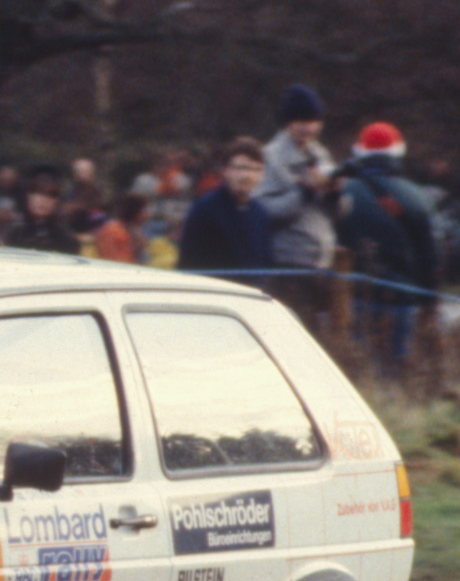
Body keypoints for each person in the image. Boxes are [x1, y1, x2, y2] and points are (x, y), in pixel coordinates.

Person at [332, 121, 441, 372]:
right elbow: (431, 255)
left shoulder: (344, 191)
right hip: (403, 298)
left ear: (359, 152)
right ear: (399, 151)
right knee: (393, 370)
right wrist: (430, 304)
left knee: (357, 372)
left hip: (355, 295)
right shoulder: (418, 196)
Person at [256, 84, 340, 323]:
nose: (308, 128)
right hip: (287, 264)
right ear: (288, 122)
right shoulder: (270, 157)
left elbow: (340, 214)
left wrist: (336, 193)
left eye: (314, 121)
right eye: (301, 121)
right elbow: (264, 211)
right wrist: (305, 191)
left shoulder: (322, 155)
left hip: (322, 262)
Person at [178, 138, 274, 279]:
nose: (247, 176)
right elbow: (189, 262)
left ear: (262, 175)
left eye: (255, 169)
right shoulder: (205, 208)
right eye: (241, 168)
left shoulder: (260, 214)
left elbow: (265, 264)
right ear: (225, 170)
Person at [3, 165, 81, 254]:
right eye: (36, 192)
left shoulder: (67, 239)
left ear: (59, 201)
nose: (43, 200)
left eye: (50, 195)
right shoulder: (13, 234)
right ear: (26, 196)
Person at [94, 191, 146, 264]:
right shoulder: (114, 230)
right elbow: (115, 261)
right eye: (143, 211)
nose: (146, 215)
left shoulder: (133, 230)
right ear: (134, 212)